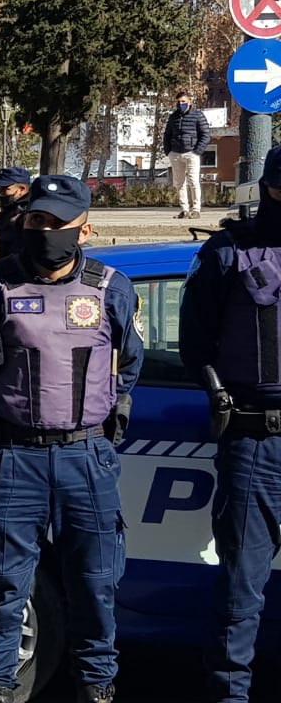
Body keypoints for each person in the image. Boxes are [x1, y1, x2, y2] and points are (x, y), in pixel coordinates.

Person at [0, 175, 142, 703]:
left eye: (59, 223)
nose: (46, 231)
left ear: (84, 230)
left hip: (87, 457)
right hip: (14, 458)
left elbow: (129, 361)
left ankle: (96, 686)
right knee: (5, 587)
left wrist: (111, 412)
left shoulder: (111, 288)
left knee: (95, 582)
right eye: (37, 220)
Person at [180, 144, 281, 703]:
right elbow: (195, 345)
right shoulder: (228, 253)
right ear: (270, 188)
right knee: (242, 593)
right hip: (255, 442)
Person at [162, 92, 210, 220]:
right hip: (176, 154)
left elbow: (205, 135)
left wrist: (197, 151)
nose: (180, 104)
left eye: (183, 101)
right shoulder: (173, 117)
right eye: (178, 102)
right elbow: (167, 135)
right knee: (179, 183)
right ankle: (184, 210)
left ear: (189, 102)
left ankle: (196, 210)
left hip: (192, 153)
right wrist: (168, 151)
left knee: (193, 181)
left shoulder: (198, 115)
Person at [0, 166, 31, 261]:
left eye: (6, 189)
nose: (1, 193)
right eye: (1, 189)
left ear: (22, 189)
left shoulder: (31, 213)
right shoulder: (8, 209)